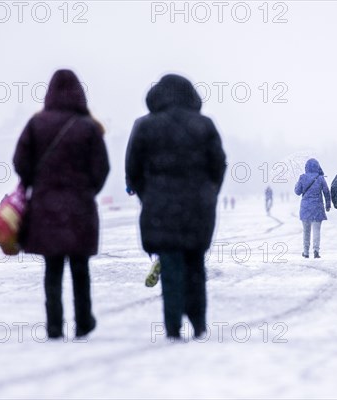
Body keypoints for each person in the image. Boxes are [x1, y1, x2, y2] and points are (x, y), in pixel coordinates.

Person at [125, 74, 226, 340]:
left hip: (160, 207)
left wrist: (148, 196)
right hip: (198, 207)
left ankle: (172, 326)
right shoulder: (204, 125)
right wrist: (209, 193)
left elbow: (133, 169)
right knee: (195, 264)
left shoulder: (145, 126)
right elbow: (218, 165)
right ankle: (199, 322)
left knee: (170, 266)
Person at [13, 69, 110, 339]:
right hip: (80, 207)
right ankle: (83, 322)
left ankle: (54, 325)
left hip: (45, 208)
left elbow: (20, 162)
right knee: (80, 269)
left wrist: (37, 183)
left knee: (52, 269)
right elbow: (101, 168)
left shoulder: (37, 124)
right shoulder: (89, 127)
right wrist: (87, 189)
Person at [294, 158, 331, 258]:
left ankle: (306, 252)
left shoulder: (302, 177)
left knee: (306, 231)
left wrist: (296, 184)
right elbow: (326, 192)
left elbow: (297, 192)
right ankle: (316, 251)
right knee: (316, 230)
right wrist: (328, 205)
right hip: (317, 207)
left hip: (305, 208)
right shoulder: (320, 178)